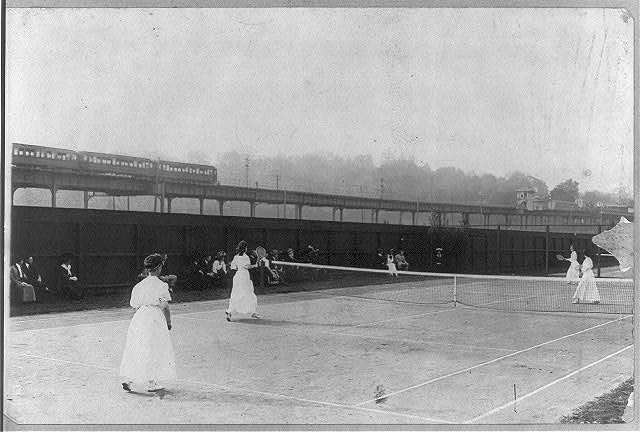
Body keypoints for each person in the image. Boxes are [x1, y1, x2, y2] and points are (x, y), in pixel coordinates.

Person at [120, 253, 176, 393]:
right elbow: (164, 306)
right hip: (154, 317)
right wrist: (168, 322)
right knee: (154, 348)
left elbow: (134, 304)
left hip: (140, 317)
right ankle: (152, 383)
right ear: (158, 268)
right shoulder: (162, 285)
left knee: (138, 347)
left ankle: (128, 379)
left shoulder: (139, 286)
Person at [225, 241, 261, 321]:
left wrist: (240, 267)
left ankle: (230, 311)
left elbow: (233, 267)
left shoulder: (236, 256)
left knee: (235, 294)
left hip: (237, 276)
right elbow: (247, 266)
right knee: (250, 293)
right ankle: (253, 312)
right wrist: (255, 265)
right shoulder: (245, 257)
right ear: (245, 248)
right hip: (244, 276)